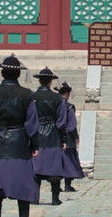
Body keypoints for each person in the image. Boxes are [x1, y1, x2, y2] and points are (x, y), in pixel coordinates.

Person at [0, 55, 39, 217]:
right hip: (20, 144)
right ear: (18, 74)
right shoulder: (27, 94)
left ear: (2, 73)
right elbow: (32, 123)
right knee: (24, 187)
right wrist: (34, 144)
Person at [30, 67, 70, 206]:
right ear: (50, 82)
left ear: (39, 80)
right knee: (54, 167)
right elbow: (61, 121)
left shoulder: (32, 97)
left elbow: (29, 118)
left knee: (36, 167)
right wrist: (64, 139)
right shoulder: (58, 98)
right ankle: (55, 198)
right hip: (53, 135)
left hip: (36, 134)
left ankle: (34, 197)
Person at [58, 82, 84, 192]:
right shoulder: (69, 107)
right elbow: (72, 125)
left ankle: (56, 186)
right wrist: (75, 137)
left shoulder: (54, 105)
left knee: (58, 162)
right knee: (68, 162)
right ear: (67, 94)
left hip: (55, 137)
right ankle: (67, 185)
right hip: (67, 137)